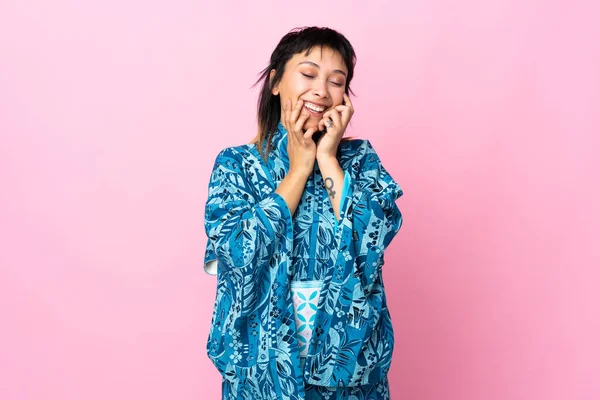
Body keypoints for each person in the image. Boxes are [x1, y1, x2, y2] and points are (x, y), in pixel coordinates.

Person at [203, 26, 404, 400]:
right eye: (309, 74)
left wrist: (326, 157)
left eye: (336, 81)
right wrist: (298, 170)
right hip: (259, 369)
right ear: (276, 82)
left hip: (349, 369)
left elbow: (371, 243)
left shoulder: (361, 161)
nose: (321, 91)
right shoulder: (236, 165)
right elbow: (238, 254)